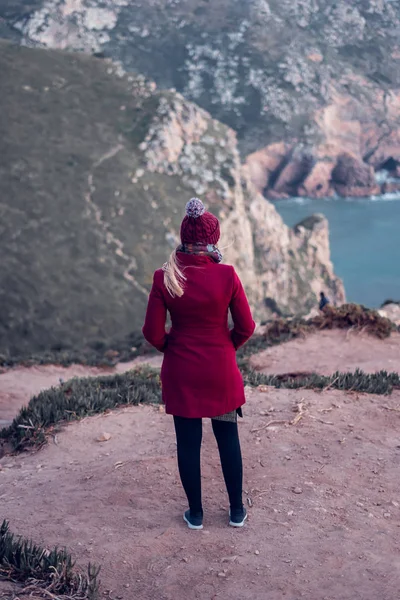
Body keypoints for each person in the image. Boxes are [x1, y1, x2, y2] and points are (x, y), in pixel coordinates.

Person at [142, 198, 255, 530]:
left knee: (188, 444)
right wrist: (223, 348)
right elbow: (246, 327)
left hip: (182, 373)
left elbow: (152, 333)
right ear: (214, 240)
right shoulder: (227, 275)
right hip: (220, 372)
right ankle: (236, 512)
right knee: (227, 439)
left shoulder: (165, 276)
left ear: (183, 236)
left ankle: (196, 514)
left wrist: (174, 348)